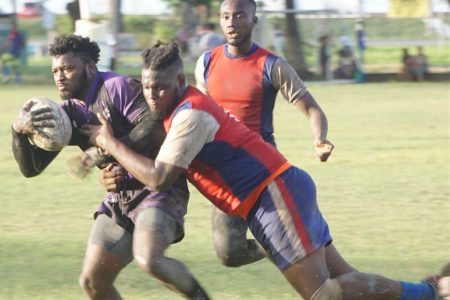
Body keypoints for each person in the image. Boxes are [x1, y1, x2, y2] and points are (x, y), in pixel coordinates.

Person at [82, 40, 442, 300]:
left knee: (323, 293)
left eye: (160, 88)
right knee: (344, 280)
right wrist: (109, 169)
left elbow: (160, 177)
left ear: (179, 82)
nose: (152, 96)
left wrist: (110, 142)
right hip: (269, 196)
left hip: (274, 194)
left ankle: (427, 292)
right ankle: (432, 289)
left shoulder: (190, 115)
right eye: (146, 88)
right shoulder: (171, 112)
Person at [11, 34, 209, 300]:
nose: (60, 76)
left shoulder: (118, 87)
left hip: (158, 189)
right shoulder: (67, 114)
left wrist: (100, 152)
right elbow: (31, 169)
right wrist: (18, 132)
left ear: (90, 67)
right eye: (55, 70)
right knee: (93, 282)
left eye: (68, 68)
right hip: (121, 198)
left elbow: (154, 126)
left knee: (149, 260)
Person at [194, 0, 356, 278]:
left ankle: (336, 277)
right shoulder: (206, 62)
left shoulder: (271, 65)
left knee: (321, 272)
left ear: (254, 21)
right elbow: (199, 116)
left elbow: (313, 109)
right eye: (225, 16)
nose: (232, 22)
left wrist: (320, 138)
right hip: (226, 175)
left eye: (240, 16)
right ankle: (281, 250)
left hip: (263, 172)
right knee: (228, 253)